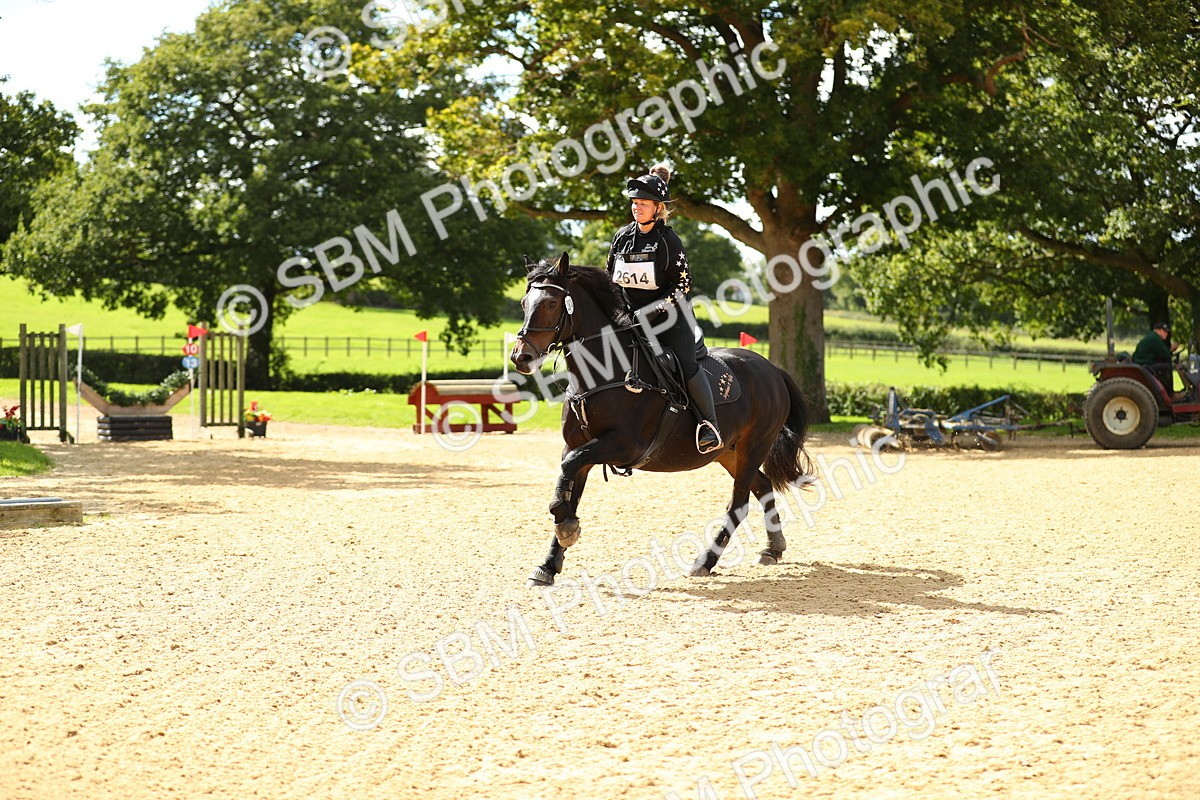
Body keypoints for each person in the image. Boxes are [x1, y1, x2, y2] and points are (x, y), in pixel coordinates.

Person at [605, 163, 722, 454]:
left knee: (685, 363)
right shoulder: (622, 237)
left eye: (643, 203)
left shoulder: (668, 241)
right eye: (634, 203)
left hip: (670, 318)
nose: (637, 207)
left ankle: (709, 425)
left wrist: (652, 310)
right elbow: (610, 277)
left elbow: (683, 285)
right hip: (630, 317)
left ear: (658, 208)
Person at [1132, 321, 1180, 393]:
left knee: (1164, 365)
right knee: (1167, 367)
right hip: (1144, 366)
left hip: (1143, 363)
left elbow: (1163, 353)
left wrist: (1170, 351)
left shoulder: (1152, 337)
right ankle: (1169, 393)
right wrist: (1172, 349)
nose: (1166, 334)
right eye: (1165, 331)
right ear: (1159, 330)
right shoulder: (1155, 339)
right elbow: (1166, 355)